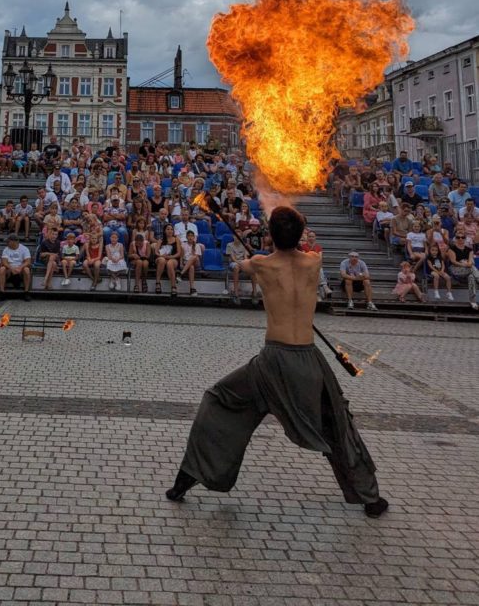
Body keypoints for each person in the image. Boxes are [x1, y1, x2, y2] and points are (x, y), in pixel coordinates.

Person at [166, 206, 388, 517]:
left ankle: (184, 480)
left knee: (219, 400)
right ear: (300, 234)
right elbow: (297, 247)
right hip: (309, 361)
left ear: (270, 235)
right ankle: (371, 498)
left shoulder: (261, 264)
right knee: (336, 424)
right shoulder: (314, 261)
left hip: (271, 363)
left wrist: (257, 256)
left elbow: (241, 262)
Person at [0, 234, 32, 300]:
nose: (7, 243)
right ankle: (2, 292)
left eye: (8, 241)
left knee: (26, 269)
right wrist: (11, 268)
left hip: (20, 269)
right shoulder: (6, 249)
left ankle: (26, 292)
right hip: (9, 269)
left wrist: (20, 268)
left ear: (14, 242)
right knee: (2, 269)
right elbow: (4, 262)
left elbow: (28, 261)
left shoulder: (24, 249)